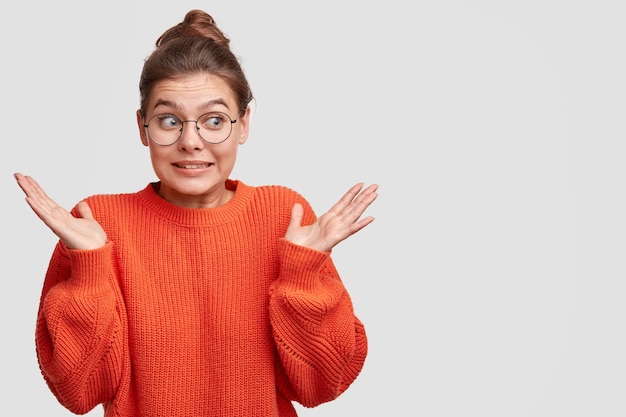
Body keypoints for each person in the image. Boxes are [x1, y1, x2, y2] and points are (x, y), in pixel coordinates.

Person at [14, 9, 377, 417]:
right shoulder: (97, 225)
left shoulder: (283, 216)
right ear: (142, 127)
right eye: (169, 120)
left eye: (214, 120)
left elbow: (321, 386)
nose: (191, 141)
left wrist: (303, 274)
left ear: (243, 125)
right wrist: (90, 271)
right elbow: (78, 392)